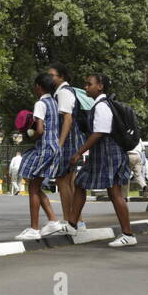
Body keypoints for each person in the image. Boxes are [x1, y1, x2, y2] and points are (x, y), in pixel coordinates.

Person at [66, 73, 137, 247]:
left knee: (115, 193)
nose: (86, 87)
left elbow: (99, 133)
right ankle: (72, 224)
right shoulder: (98, 105)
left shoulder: (102, 106)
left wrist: (78, 153)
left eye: (89, 84)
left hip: (108, 154)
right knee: (81, 183)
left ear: (100, 86)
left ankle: (128, 234)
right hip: (101, 155)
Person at [14, 73, 65, 240]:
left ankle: (34, 228)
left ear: (38, 87)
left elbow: (40, 130)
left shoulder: (40, 104)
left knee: (33, 187)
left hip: (43, 148)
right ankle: (52, 221)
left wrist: (30, 134)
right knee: (36, 185)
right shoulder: (54, 102)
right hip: (55, 147)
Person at [45, 62, 84, 236]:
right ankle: (78, 220)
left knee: (62, 181)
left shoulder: (63, 93)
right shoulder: (65, 91)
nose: (49, 78)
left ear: (62, 77)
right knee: (69, 182)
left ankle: (70, 221)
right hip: (72, 141)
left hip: (68, 141)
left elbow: (67, 119)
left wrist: (59, 144)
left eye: (52, 75)